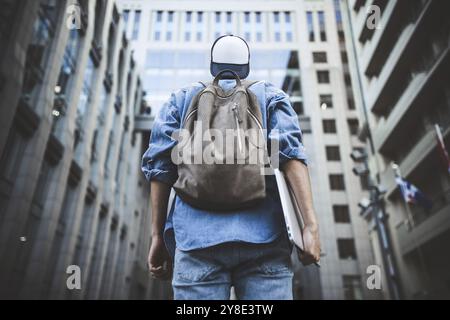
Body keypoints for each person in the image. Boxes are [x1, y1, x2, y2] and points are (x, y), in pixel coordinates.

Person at [142, 35, 320, 300]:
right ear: (246, 67)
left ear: (213, 66)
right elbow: (291, 157)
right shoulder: (269, 96)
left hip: (196, 243)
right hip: (265, 239)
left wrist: (157, 235)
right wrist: (310, 226)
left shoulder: (181, 99)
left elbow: (160, 167)